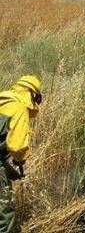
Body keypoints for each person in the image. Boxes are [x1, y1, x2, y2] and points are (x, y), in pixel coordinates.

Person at [0, 75, 42, 232]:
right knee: (4, 215)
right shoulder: (19, 108)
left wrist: (10, 172)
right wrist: (19, 161)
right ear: (31, 94)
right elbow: (18, 147)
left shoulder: (3, 101)